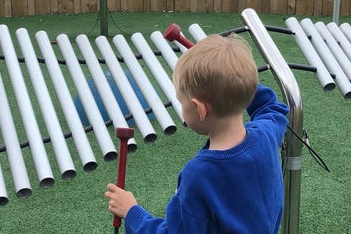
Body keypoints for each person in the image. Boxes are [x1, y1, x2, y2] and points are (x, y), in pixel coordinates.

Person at [104, 33, 290, 233]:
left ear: (199, 109)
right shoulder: (266, 134)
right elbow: (271, 107)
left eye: (181, 101)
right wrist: (237, 81)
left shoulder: (199, 175)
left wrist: (132, 212)